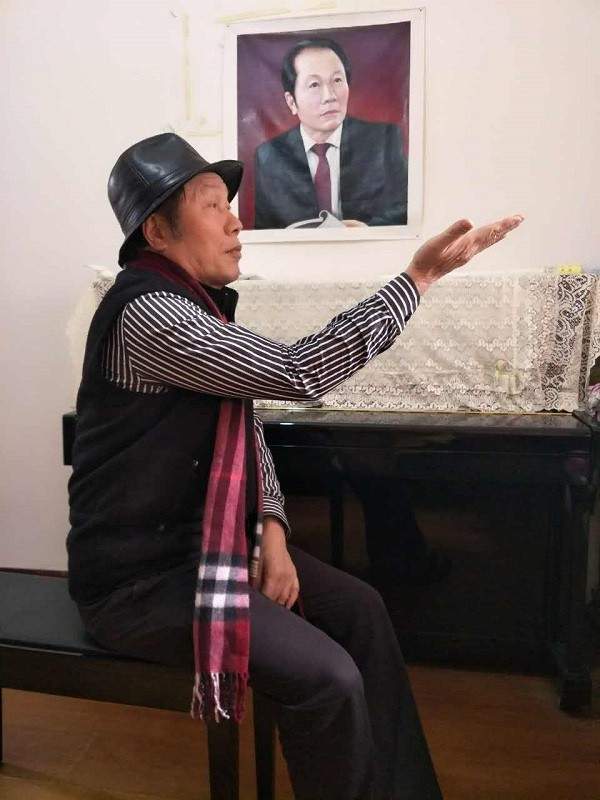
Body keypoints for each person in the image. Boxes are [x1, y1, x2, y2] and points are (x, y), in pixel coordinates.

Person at [67, 131, 523, 800]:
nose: (234, 221)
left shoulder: (194, 305)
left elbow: (244, 427)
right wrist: (416, 280)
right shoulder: (149, 314)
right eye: (211, 205)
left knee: (362, 608)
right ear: (157, 233)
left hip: (210, 552)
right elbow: (297, 371)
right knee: (327, 677)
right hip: (140, 584)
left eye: (229, 203)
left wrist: (273, 529)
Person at [254, 37, 408, 230]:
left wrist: (366, 231)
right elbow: (266, 231)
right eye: (314, 85)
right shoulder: (268, 157)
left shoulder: (383, 140)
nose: (330, 96)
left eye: (337, 80)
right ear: (291, 102)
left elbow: (405, 212)